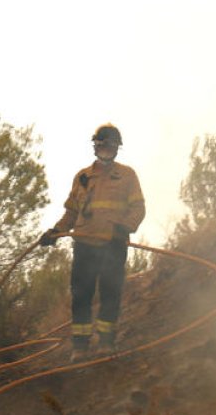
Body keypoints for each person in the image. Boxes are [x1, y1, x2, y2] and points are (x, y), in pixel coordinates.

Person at [39, 123, 145, 361]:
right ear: (95, 146)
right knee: (81, 295)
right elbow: (71, 212)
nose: (106, 148)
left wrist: (125, 227)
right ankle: (80, 347)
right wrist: (55, 232)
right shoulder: (83, 177)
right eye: (102, 143)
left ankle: (106, 343)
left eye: (111, 144)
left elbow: (138, 207)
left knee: (110, 293)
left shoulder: (127, 175)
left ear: (118, 148)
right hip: (85, 244)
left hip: (113, 244)